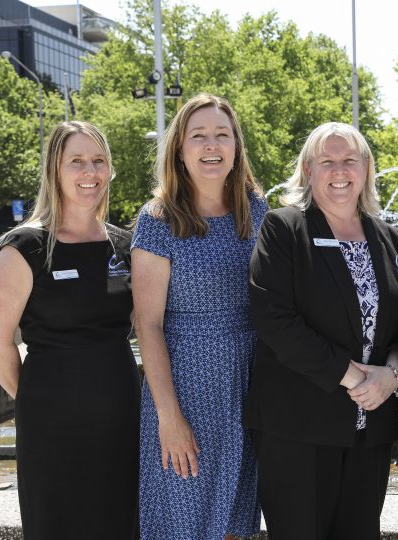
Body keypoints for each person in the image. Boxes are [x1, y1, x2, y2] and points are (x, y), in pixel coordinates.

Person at [245, 122, 398, 540]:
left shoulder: (389, 238)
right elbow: (275, 320)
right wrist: (358, 378)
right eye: (327, 162)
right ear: (308, 169)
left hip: (370, 429)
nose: (339, 171)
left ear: (366, 168)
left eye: (349, 160)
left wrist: (392, 376)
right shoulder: (284, 228)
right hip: (298, 428)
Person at [0, 121, 139, 539]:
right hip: (52, 424)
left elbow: (147, 327)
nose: (90, 172)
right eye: (77, 162)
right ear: (54, 169)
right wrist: (41, 396)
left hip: (122, 417)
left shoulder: (125, 247)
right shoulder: (26, 248)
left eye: (99, 161)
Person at [132, 93, 266, 539]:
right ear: (180, 148)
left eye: (222, 135)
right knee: (182, 522)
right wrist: (168, 417)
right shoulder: (159, 220)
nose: (212, 145)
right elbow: (146, 324)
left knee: (235, 524)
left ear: (235, 146)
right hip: (186, 389)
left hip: (250, 388)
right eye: (199, 136)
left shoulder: (259, 212)